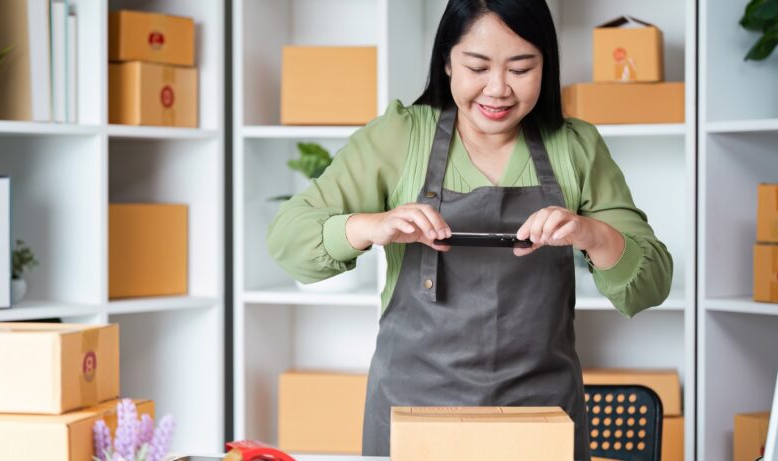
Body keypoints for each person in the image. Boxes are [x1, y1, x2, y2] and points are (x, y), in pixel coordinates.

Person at [266, 0, 673, 459]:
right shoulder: (400, 136)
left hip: (542, 418)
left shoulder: (576, 147)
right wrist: (371, 226)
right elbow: (288, 240)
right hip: (411, 415)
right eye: (477, 66)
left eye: (521, 68)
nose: (497, 89)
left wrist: (591, 234)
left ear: (547, 66)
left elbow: (651, 285)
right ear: (446, 61)